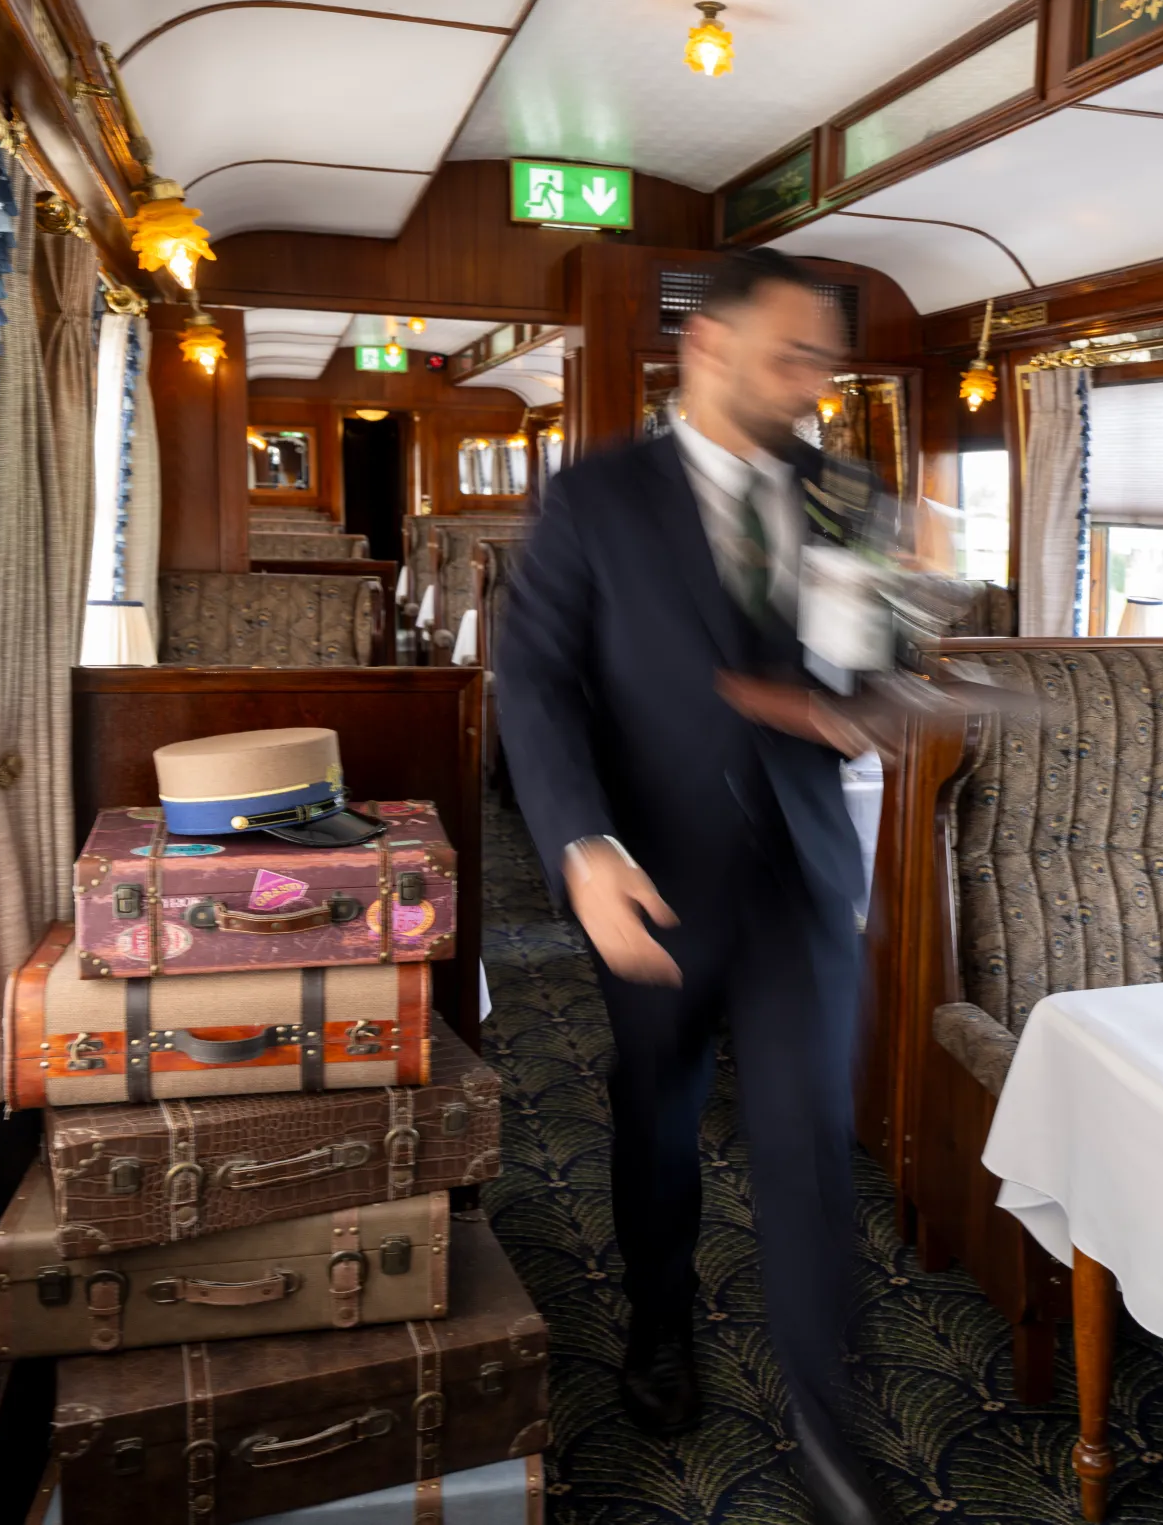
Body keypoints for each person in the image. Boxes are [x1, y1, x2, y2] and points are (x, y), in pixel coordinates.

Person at [495, 248, 894, 1525]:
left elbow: (862, 672)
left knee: (806, 1144)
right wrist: (581, 844)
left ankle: (830, 1440)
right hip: (649, 878)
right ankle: (657, 1327)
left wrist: (868, 702)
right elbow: (536, 683)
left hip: (798, 873)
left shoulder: (845, 492)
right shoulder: (593, 497)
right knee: (657, 1120)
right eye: (793, 357)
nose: (814, 388)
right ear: (706, 349)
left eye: (825, 363)